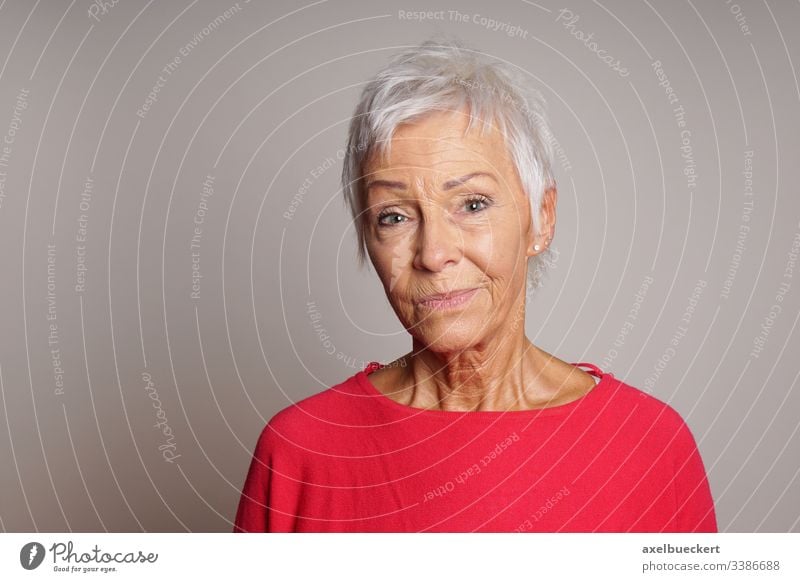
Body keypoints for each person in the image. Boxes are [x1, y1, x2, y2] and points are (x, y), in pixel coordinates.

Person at [233, 38, 717, 533]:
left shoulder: (649, 444)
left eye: (472, 204)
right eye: (394, 216)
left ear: (541, 218)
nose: (433, 253)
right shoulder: (300, 451)